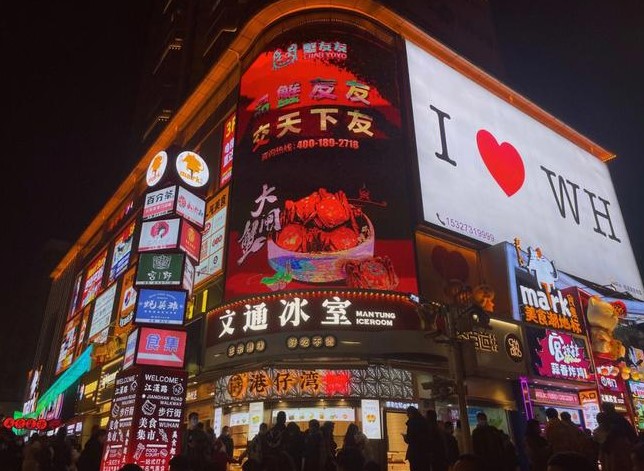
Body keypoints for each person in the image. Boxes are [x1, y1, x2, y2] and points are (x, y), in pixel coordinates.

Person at [600, 403, 637, 471]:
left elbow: (614, 432)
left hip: (618, 445)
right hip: (625, 444)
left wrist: (606, 444)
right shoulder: (619, 417)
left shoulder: (612, 418)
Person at [403, 406, 430, 471]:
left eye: (408, 414)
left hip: (415, 453)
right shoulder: (425, 422)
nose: (407, 415)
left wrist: (405, 437)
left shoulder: (412, 423)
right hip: (425, 453)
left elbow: (410, 439)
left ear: (411, 413)